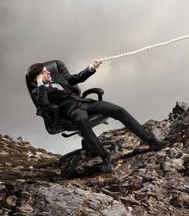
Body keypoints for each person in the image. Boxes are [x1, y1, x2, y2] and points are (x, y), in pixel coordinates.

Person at [27, 60, 168, 172]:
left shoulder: (57, 76)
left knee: (118, 110)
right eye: (45, 73)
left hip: (85, 103)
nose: (48, 73)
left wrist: (91, 68)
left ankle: (151, 141)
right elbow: (44, 104)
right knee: (81, 120)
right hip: (72, 111)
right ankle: (104, 157)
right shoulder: (37, 92)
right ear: (38, 78)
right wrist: (40, 84)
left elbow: (76, 78)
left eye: (47, 70)